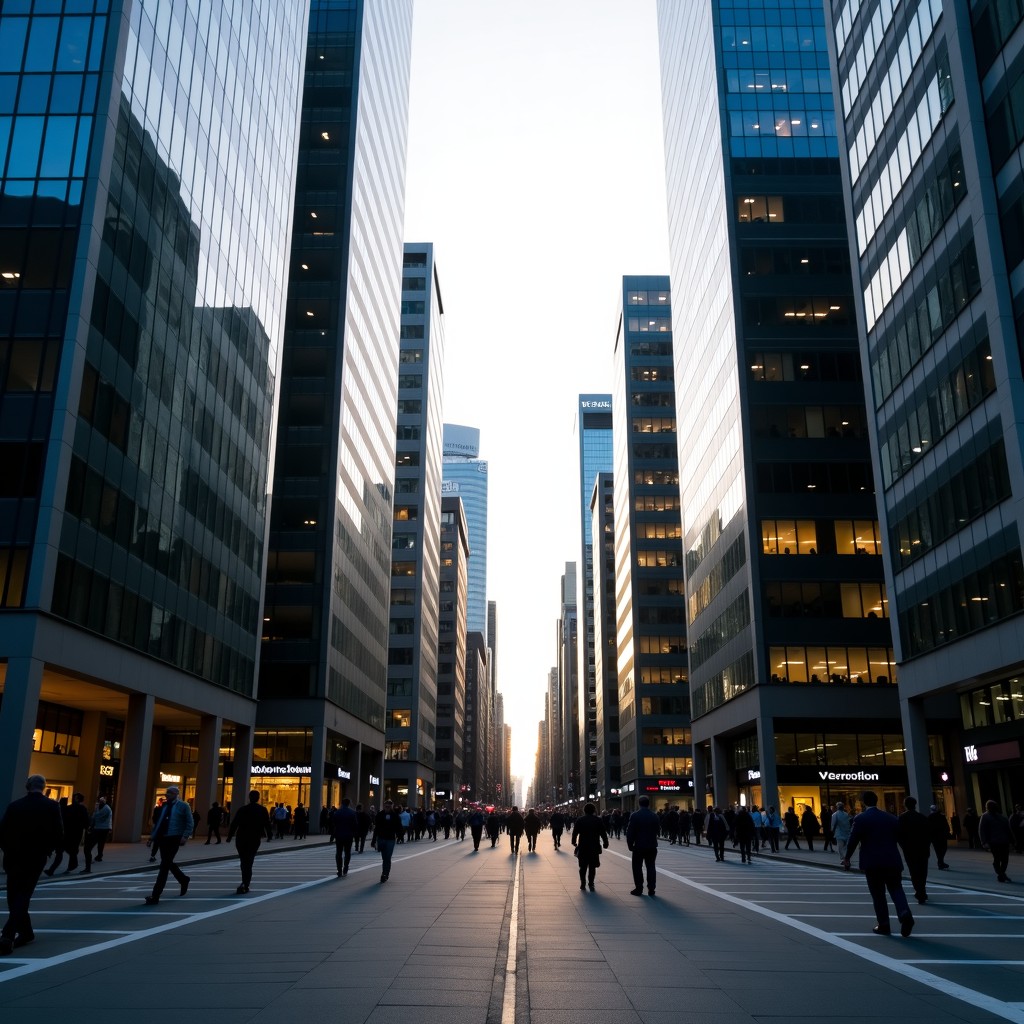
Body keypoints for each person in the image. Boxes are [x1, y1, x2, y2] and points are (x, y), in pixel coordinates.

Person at [0, 775, 64, 954]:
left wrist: (8, 849)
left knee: (14, 895)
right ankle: (20, 933)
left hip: (14, 856)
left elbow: (2, 831)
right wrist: (48, 850)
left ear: (27, 786)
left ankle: (10, 934)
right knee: (24, 894)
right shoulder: (52, 806)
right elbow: (58, 834)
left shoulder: (15, 806)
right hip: (36, 857)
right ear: (43, 788)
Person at [842, 790, 914, 937]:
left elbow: (853, 840)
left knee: (878, 894)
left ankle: (884, 925)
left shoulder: (861, 819)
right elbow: (902, 839)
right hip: (892, 860)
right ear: (876, 801)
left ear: (863, 802)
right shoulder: (891, 818)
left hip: (872, 862)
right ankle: (905, 913)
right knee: (896, 889)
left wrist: (847, 857)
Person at [144, 785, 194, 905]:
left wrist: (185, 836)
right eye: (167, 793)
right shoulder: (164, 806)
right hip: (163, 838)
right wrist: (152, 837)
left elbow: (190, 821)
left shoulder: (183, 806)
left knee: (164, 866)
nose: (167, 795)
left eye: (170, 793)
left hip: (174, 837)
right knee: (167, 862)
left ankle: (155, 895)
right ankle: (183, 879)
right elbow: (159, 823)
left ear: (176, 794)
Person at [227, 790, 273, 893]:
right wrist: (269, 835)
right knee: (249, 860)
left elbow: (235, 823)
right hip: (254, 838)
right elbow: (267, 823)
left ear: (249, 797)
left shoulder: (242, 809)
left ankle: (245, 882)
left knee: (243, 860)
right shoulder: (262, 809)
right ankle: (246, 883)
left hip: (241, 837)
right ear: (258, 798)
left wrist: (229, 836)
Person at [896, 796, 931, 904]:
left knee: (914, 871)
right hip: (923, 848)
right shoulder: (923, 817)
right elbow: (929, 834)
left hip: (910, 849)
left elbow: (899, 835)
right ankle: (922, 890)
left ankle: (920, 891)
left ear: (905, 805)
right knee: (923, 871)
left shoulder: (902, 818)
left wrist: (903, 846)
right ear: (915, 804)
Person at [625, 795, 659, 895]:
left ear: (639, 804)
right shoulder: (654, 815)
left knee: (637, 867)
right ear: (648, 803)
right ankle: (651, 888)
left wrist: (630, 845)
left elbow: (630, 832)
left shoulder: (635, 815)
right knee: (651, 867)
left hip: (639, 845)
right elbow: (658, 830)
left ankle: (639, 888)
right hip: (652, 845)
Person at [571, 803, 609, 891]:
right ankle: (591, 884)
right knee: (592, 866)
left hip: (583, 846)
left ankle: (583, 883)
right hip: (594, 846)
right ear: (594, 810)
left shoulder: (580, 820)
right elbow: (603, 832)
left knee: (583, 866)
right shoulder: (598, 820)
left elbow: (575, 832)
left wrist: (573, 841)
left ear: (584, 810)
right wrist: (605, 842)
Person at [978, 800, 1013, 883]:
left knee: (1005, 859)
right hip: (993, 842)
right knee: (997, 859)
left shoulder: (1001, 817)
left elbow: (1008, 829)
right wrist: (984, 842)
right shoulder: (985, 816)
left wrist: (1012, 840)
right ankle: (1001, 874)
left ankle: (1001, 874)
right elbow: (981, 830)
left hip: (1004, 841)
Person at [373, 800, 403, 883]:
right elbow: (376, 828)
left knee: (388, 857)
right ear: (384, 806)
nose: (387, 808)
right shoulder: (380, 815)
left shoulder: (395, 815)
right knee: (384, 857)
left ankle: (385, 873)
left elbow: (399, 827)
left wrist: (400, 836)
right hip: (381, 838)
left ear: (392, 806)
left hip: (391, 839)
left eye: (389, 806)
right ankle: (385, 872)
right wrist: (374, 840)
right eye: (386, 806)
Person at [82, 795, 113, 872]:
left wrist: (93, 820)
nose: (100, 802)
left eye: (102, 800)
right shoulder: (99, 807)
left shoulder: (106, 809)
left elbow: (98, 817)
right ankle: (98, 856)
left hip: (102, 828)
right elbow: (95, 817)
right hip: (99, 828)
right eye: (100, 800)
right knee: (99, 843)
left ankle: (97, 856)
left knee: (97, 843)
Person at [331, 798, 358, 877]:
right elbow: (355, 825)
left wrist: (333, 835)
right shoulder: (352, 813)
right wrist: (354, 834)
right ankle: (345, 868)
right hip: (349, 835)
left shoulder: (337, 812)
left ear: (342, 803)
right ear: (349, 804)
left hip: (339, 835)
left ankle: (339, 869)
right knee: (347, 852)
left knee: (338, 852)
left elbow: (334, 824)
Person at [927, 805, 950, 869]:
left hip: (935, 836)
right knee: (943, 849)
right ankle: (940, 862)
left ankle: (940, 862)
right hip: (940, 835)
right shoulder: (940, 816)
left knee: (939, 850)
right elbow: (946, 825)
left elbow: (928, 827)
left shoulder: (930, 816)